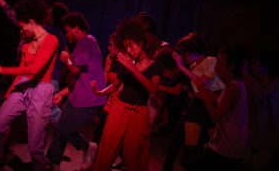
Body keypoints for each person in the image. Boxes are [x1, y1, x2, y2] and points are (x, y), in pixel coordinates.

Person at [0, 0, 69, 125]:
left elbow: (9, 12)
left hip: (35, 78)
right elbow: (66, 58)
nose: (46, 12)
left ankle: (71, 132)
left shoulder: (39, 29)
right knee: (34, 115)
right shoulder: (61, 36)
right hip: (50, 80)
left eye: (49, 11)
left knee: (38, 116)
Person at [0, 0, 58, 171]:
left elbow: (34, 70)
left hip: (42, 92)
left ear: (31, 22)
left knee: (35, 147)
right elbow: (22, 74)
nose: (20, 30)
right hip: (22, 87)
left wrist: (3, 70)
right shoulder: (26, 43)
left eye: (22, 26)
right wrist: (6, 97)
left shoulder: (51, 40)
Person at [91, 17, 162, 171]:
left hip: (139, 114)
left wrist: (132, 68)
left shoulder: (155, 66)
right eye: (126, 48)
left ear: (141, 42)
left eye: (131, 46)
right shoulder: (128, 65)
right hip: (119, 108)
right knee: (107, 148)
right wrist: (99, 92)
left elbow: (152, 89)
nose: (129, 51)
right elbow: (115, 85)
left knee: (134, 154)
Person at [46, 12, 107, 171]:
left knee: (65, 130)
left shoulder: (85, 42)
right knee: (60, 129)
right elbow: (80, 78)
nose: (66, 35)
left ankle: (88, 146)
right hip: (77, 96)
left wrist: (66, 59)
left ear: (76, 29)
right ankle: (54, 163)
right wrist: (62, 93)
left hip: (90, 98)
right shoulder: (88, 42)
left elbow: (74, 71)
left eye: (67, 31)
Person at [173, 32, 225, 170]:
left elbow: (201, 82)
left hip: (212, 104)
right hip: (197, 105)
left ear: (193, 51)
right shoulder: (192, 67)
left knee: (213, 142)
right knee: (191, 144)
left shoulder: (211, 61)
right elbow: (196, 88)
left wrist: (182, 67)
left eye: (185, 53)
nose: (184, 57)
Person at [195, 44, 249, 171]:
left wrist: (203, 90)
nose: (216, 67)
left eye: (219, 64)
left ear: (231, 66)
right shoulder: (236, 84)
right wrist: (209, 94)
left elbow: (216, 116)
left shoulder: (233, 87)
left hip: (227, 148)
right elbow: (227, 107)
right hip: (226, 145)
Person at [243, 47, 279, 170]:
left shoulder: (276, 82)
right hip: (252, 136)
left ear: (267, 65)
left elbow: (259, 95)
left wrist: (246, 74)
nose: (252, 67)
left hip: (269, 140)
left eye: (255, 64)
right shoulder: (254, 82)